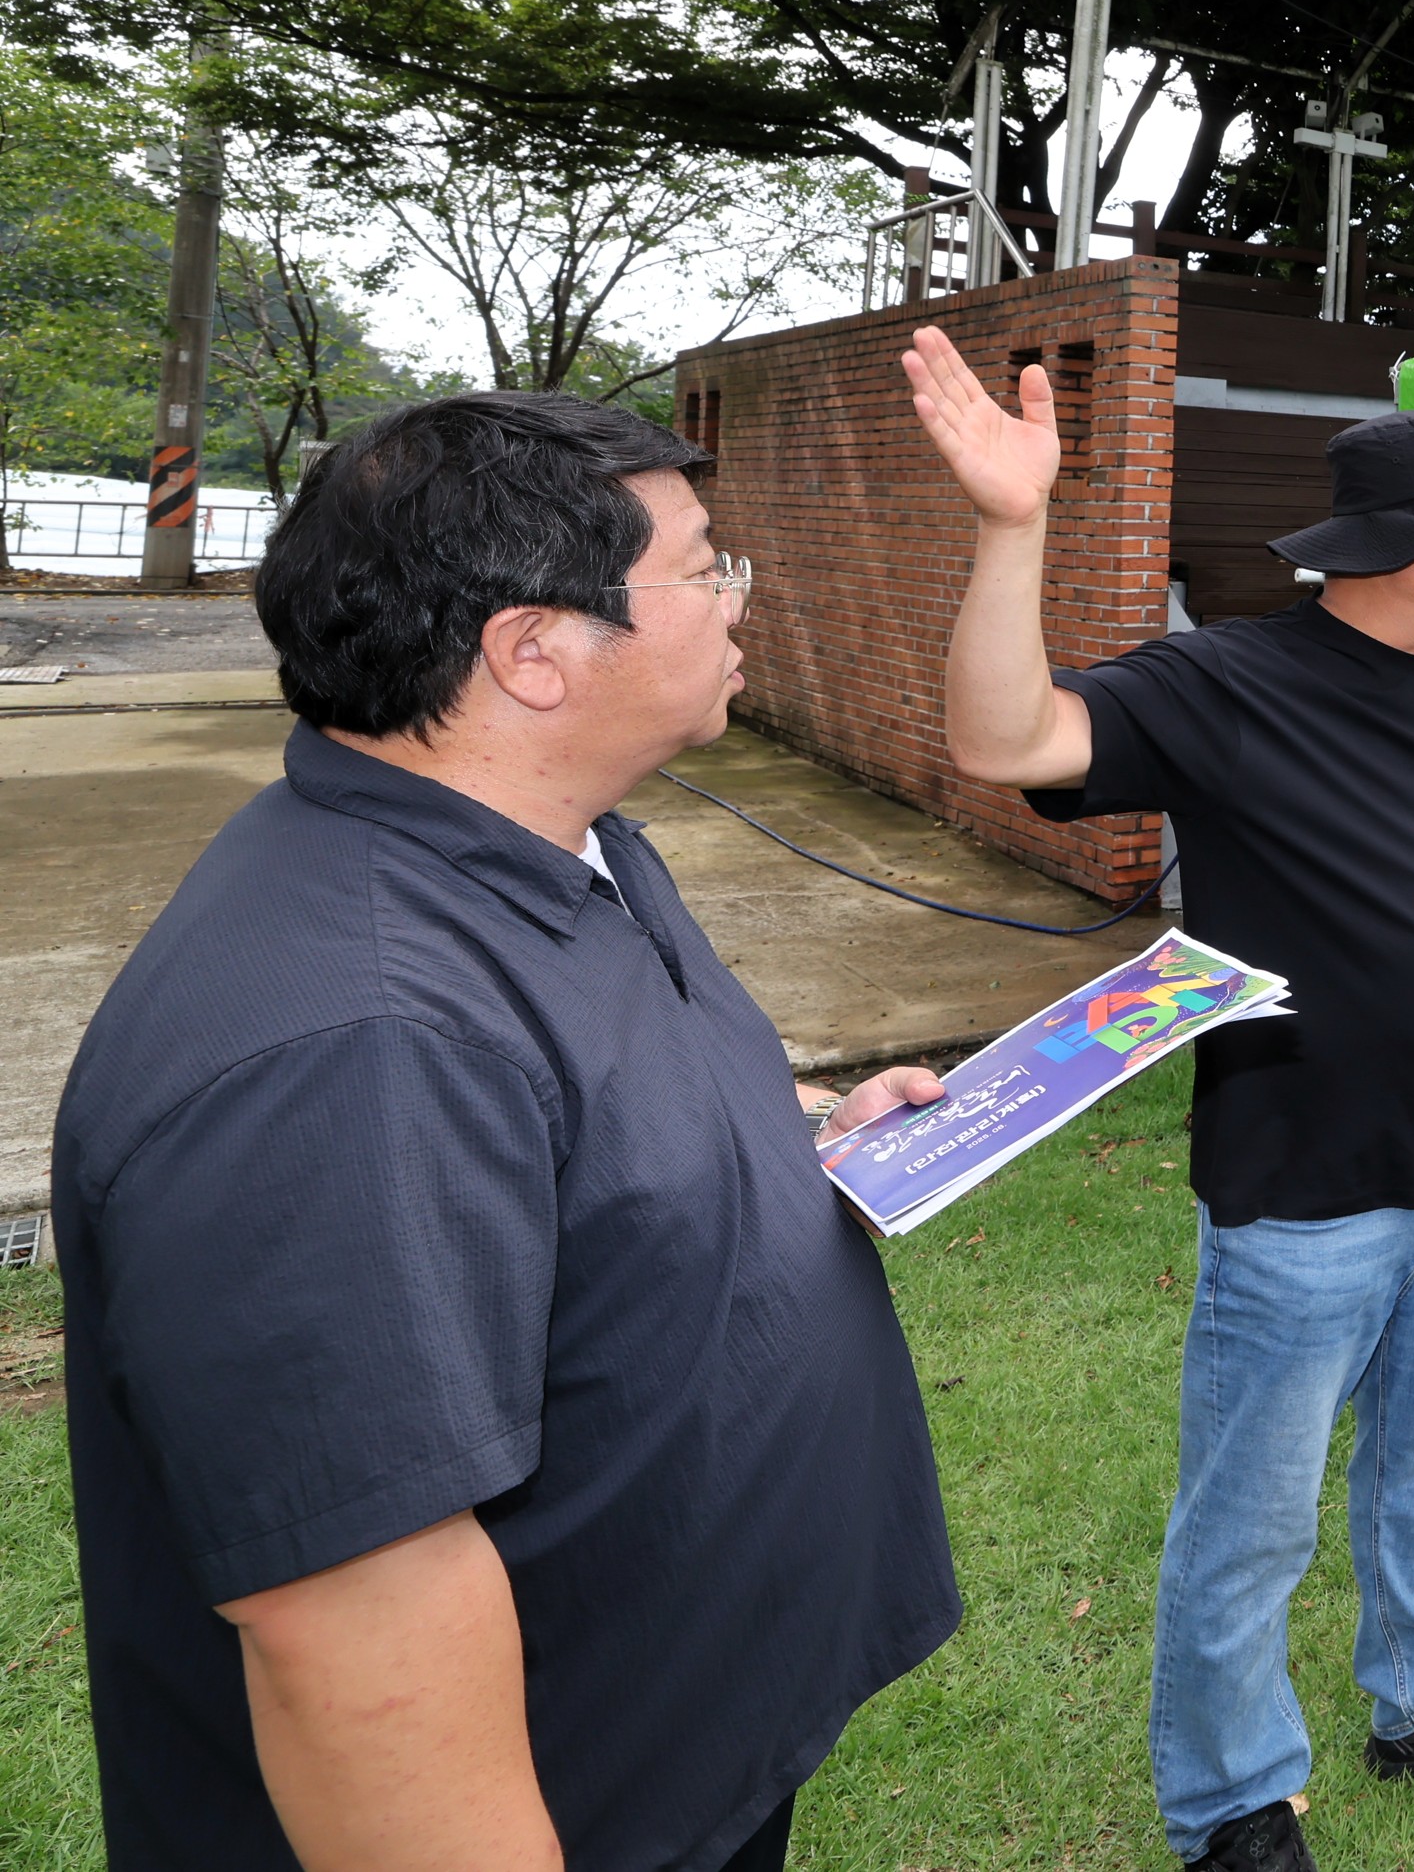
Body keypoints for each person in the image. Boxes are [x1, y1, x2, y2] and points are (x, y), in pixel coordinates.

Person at [52, 393, 959, 1872]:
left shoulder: (552, 839)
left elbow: (577, 1113)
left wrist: (790, 1133)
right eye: (705, 565)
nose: (741, 598)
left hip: (666, 1746)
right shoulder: (349, 1047)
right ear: (533, 650)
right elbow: (355, 1629)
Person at [902, 332, 1414, 1872]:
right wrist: (1011, 522)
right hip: (1302, 1197)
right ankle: (1229, 1805)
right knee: (1250, 1523)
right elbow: (1004, 738)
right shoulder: (1230, 681)